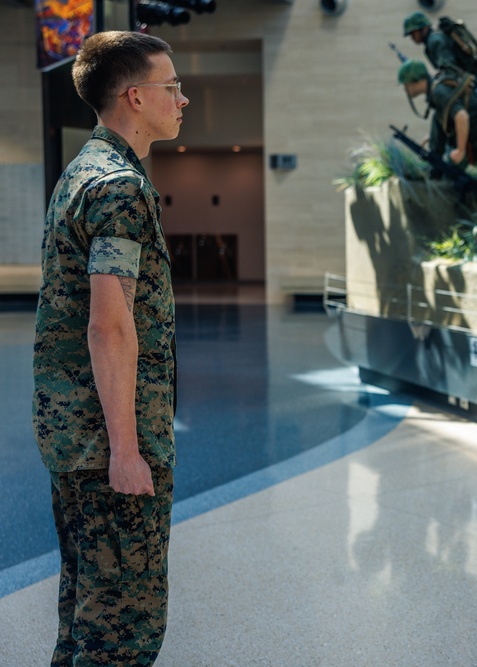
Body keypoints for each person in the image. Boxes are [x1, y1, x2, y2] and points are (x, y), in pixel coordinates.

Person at [32, 30, 186, 666]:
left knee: (84, 612)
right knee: (122, 629)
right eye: (171, 87)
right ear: (134, 96)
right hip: (107, 442)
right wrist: (126, 450)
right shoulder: (118, 184)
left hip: (75, 434)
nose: (182, 99)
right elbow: (109, 324)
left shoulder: (83, 170)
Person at [397, 58, 477, 207]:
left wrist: (460, 150)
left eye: (406, 84)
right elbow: (447, 117)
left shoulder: (438, 91)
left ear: (416, 81)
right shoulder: (436, 89)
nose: (405, 89)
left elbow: (461, 116)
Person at [402, 10, 477, 89]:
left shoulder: (435, 41)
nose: (412, 37)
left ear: (423, 29)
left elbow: (449, 68)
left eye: (413, 33)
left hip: (475, 83)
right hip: (473, 80)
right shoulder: (434, 39)